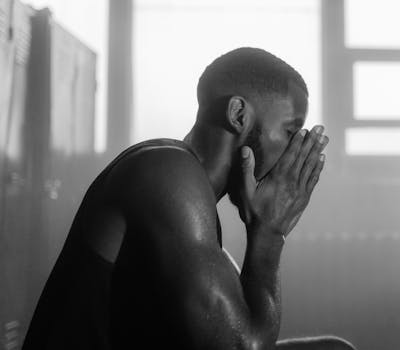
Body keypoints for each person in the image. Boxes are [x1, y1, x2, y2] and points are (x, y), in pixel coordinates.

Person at [23, 47, 355, 350]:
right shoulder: (167, 172)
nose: (294, 154)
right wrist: (269, 236)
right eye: (289, 132)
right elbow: (242, 346)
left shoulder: (192, 194)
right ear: (239, 115)